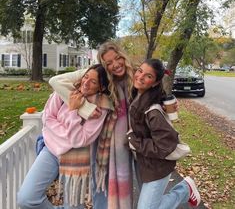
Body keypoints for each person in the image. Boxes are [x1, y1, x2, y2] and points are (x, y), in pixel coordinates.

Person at [49, 41, 134, 209]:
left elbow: (153, 90)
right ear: (103, 65)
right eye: (109, 63)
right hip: (101, 138)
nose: (115, 65)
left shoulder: (133, 76)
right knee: (100, 181)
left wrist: (170, 102)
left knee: (127, 179)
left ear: (123, 56)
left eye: (117, 58)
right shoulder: (94, 74)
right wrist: (85, 108)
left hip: (129, 141)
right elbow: (56, 81)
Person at [17, 64, 114, 209]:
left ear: (101, 88)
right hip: (51, 151)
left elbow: (81, 139)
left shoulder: (100, 107)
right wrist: (67, 135)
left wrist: (74, 111)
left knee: (72, 206)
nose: (86, 83)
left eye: (93, 82)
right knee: (26, 198)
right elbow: (48, 119)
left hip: (76, 158)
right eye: (85, 77)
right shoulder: (65, 91)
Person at [126, 58, 201, 209]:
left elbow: (164, 145)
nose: (140, 77)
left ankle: (184, 189)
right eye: (140, 71)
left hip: (158, 166)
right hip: (144, 164)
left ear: (154, 83)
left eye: (148, 76)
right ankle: (185, 188)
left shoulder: (152, 110)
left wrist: (133, 140)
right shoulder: (136, 95)